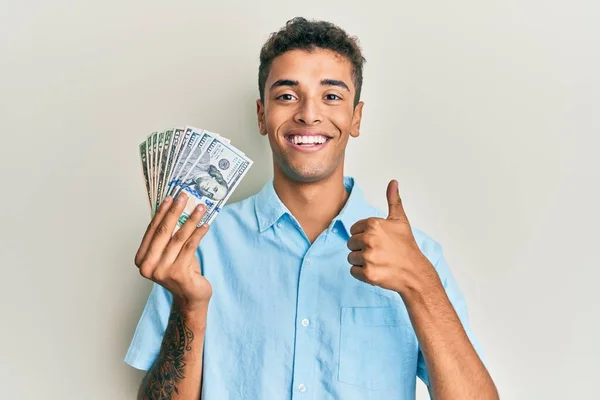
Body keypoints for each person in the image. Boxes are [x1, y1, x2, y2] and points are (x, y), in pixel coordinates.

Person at [125, 17, 499, 400]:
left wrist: (419, 282)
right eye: (287, 95)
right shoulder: (199, 244)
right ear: (261, 114)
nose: (308, 113)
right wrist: (189, 308)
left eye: (332, 96)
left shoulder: (419, 258)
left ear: (356, 118)